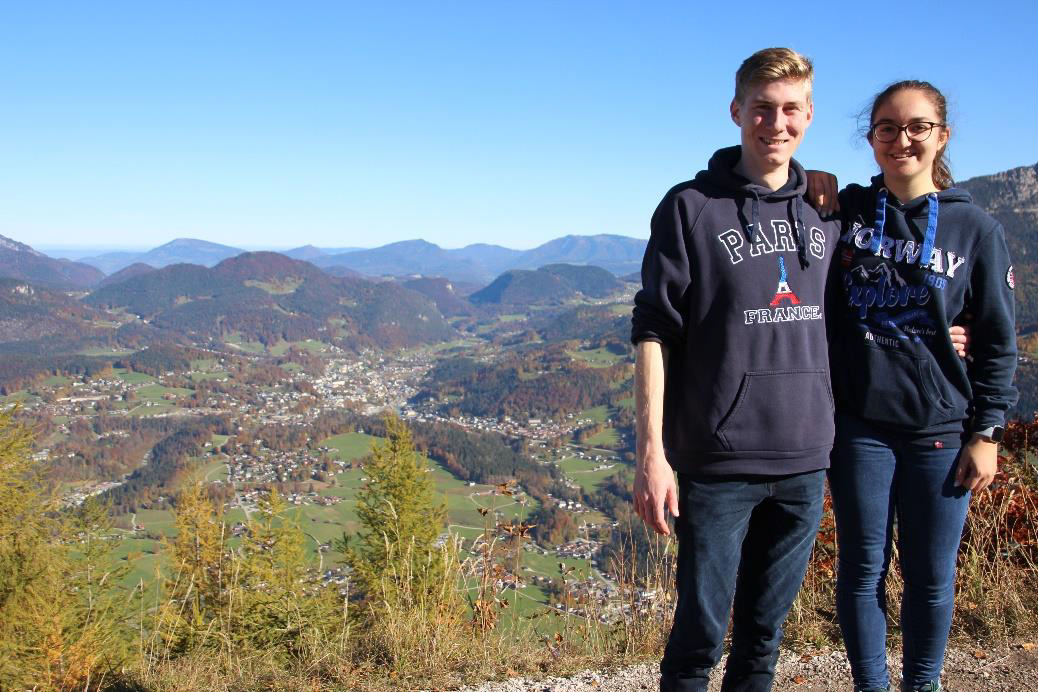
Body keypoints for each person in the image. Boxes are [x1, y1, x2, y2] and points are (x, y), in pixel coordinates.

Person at [631, 47, 840, 691]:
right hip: (717, 463)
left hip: (805, 459)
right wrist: (651, 454)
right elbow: (652, 331)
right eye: (761, 108)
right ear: (736, 111)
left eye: (790, 110)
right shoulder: (692, 207)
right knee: (697, 642)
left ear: (809, 113)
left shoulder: (831, 206)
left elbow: (886, 290)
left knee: (762, 642)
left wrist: (943, 330)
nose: (776, 123)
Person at [809, 81, 1018, 692]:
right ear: (870, 137)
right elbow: (768, 179)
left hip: (940, 430)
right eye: (887, 128)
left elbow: (999, 341)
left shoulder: (975, 228)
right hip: (860, 428)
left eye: (917, 127)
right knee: (861, 570)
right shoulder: (846, 210)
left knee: (931, 577)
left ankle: (921, 685)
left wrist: (987, 432)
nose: (902, 139)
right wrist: (811, 176)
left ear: (940, 136)